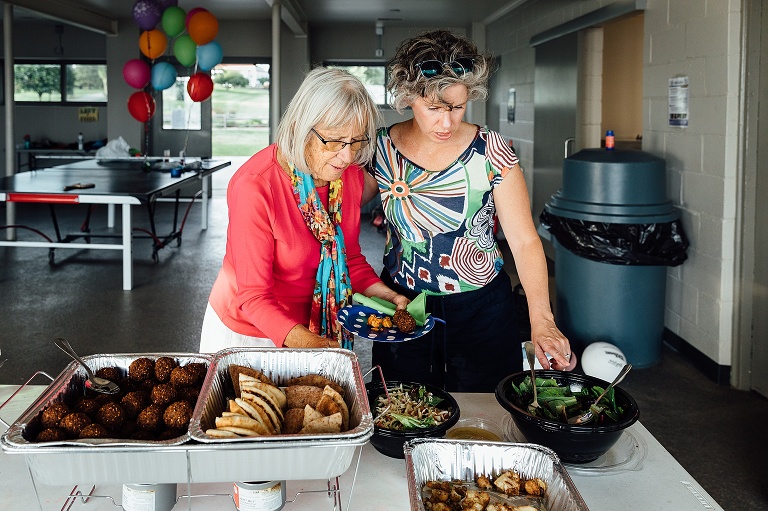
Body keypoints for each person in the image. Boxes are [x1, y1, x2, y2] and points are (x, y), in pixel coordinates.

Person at [366, 30, 574, 392]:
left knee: (485, 413)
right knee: (402, 408)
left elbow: (523, 240)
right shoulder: (380, 149)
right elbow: (333, 215)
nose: (447, 123)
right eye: (434, 108)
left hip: (482, 309)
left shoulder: (490, 149)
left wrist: (542, 319)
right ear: (409, 97)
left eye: (457, 107)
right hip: (402, 303)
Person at [200, 67, 409, 353]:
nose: (347, 156)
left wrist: (386, 296)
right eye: (334, 140)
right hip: (250, 333)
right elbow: (253, 298)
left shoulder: (347, 175)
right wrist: (318, 348)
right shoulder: (256, 185)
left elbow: (350, 259)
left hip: (311, 330)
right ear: (301, 126)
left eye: (357, 141)